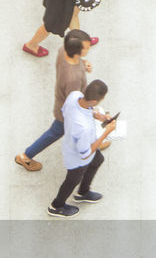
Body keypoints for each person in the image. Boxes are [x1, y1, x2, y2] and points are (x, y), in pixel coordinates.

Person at [16, 29, 109, 171]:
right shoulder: (73, 79)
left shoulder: (63, 51)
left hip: (61, 101)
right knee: (55, 133)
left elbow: (75, 62)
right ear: (75, 50)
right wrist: (94, 112)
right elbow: (75, 106)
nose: (89, 48)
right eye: (86, 48)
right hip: (65, 113)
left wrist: (82, 63)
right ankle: (26, 156)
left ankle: (93, 140)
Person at [48, 79, 115, 218]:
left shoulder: (74, 96)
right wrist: (106, 133)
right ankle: (56, 206)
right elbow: (85, 154)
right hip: (77, 158)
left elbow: (70, 111)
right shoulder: (83, 128)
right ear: (94, 102)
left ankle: (83, 192)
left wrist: (99, 116)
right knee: (72, 180)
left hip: (71, 144)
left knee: (98, 160)